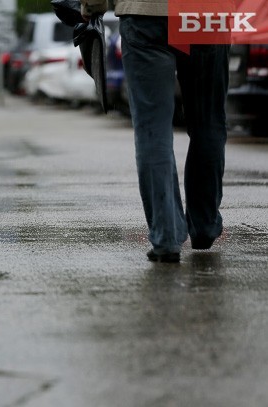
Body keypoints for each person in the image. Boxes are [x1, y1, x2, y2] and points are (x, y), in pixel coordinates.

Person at [81, 0, 229, 263]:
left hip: (146, 14)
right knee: (208, 122)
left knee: (153, 126)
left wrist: (93, 6)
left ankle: (166, 236)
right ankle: (205, 225)